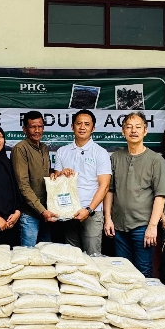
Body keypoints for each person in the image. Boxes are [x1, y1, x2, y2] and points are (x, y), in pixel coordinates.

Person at [104, 112, 165, 278]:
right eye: (129, 127)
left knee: (143, 271)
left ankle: (144, 304)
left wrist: (153, 226)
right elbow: (109, 190)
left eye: (138, 127)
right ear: (123, 132)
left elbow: (160, 195)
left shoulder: (156, 159)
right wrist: (108, 219)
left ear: (145, 131)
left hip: (143, 226)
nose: (134, 130)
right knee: (122, 271)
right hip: (118, 226)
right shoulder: (115, 157)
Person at [52, 109, 111, 254]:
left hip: (91, 212)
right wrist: (61, 173)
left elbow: (104, 186)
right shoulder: (62, 151)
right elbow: (55, 181)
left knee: (93, 256)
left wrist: (89, 210)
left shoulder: (100, 152)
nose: (82, 127)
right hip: (68, 212)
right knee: (73, 257)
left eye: (87, 124)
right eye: (79, 123)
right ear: (72, 127)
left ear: (93, 128)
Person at [12, 111, 55, 246]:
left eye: (40, 126)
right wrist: (42, 211)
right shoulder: (20, 149)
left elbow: (45, 174)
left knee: (45, 255)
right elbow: (23, 185)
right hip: (30, 214)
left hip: (47, 212)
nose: (37, 130)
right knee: (28, 256)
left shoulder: (44, 148)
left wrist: (56, 174)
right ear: (24, 129)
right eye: (32, 127)